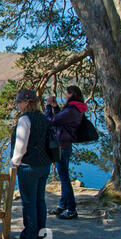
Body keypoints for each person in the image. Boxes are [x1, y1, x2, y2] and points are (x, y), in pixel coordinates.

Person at [10, 89, 52, 239]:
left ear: (27, 103)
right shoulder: (44, 118)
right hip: (44, 164)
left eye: (19, 102)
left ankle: (29, 234)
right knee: (40, 200)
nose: (17, 105)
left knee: (28, 201)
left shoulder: (25, 119)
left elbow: (21, 145)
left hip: (28, 167)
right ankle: (41, 233)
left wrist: (15, 162)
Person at [45, 86, 87, 219]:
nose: (64, 96)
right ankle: (62, 205)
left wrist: (47, 107)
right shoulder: (75, 108)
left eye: (66, 94)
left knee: (64, 179)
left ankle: (71, 209)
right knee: (64, 177)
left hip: (62, 146)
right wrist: (56, 106)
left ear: (71, 94)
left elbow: (51, 121)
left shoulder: (71, 109)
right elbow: (60, 120)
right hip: (66, 144)